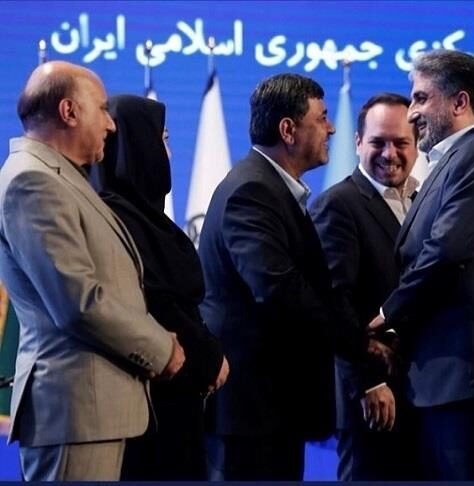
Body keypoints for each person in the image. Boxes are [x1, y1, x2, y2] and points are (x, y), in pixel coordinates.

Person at [0, 61, 185, 481]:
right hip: (74, 412)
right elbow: (78, 302)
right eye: (101, 109)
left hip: (92, 412)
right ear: (69, 111)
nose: (111, 124)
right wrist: (161, 349)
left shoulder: (61, 177)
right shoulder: (32, 182)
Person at [199, 73, 388, 480]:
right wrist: (358, 343)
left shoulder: (271, 188)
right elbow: (278, 288)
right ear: (288, 130)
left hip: (272, 410)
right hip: (249, 412)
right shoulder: (251, 191)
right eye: (321, 118)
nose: (332, 128)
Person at [368, 50, 474, 480]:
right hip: (444, 380)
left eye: (422, 98)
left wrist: (388, 315)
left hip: (473, 379)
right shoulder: (448, 164)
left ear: (460, 102)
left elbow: (446, 250)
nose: (412, 112)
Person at [92, 94, 228, 480]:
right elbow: (155, 305)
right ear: (137, 146)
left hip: (180, 402)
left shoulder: (149, 219)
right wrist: (209, 360)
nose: (169, 152)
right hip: (147, 412)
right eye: (163, 139)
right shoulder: (115, 220)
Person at [310, 93, 420, 480]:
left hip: (422, 396)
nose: (390, 154)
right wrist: (367, 381)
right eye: (378, 142)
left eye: (401, 142)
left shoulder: (426, 199)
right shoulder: (338, 205)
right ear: (358, 143)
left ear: (417, 143)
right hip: (372, 401)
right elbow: (334, 304)